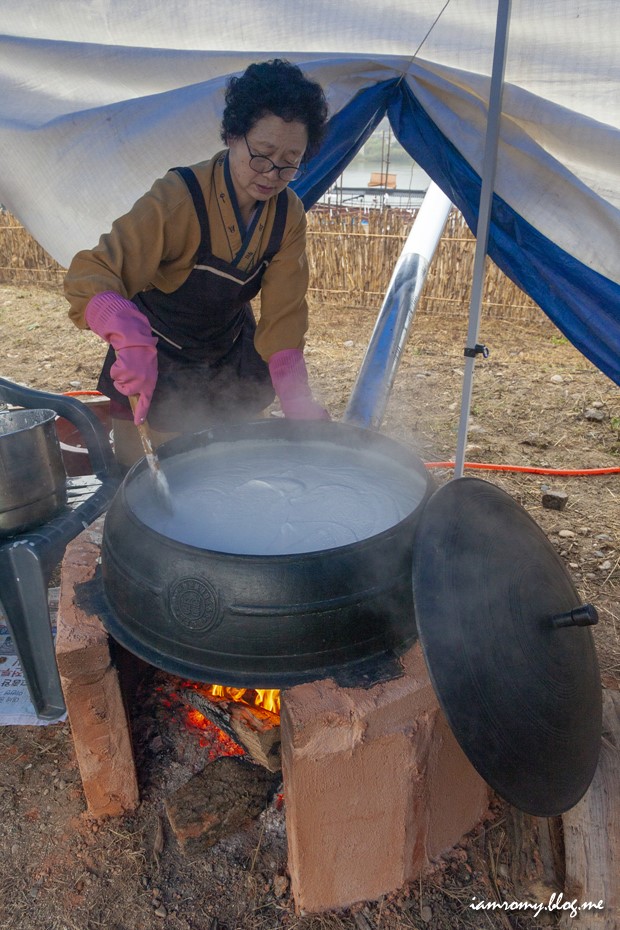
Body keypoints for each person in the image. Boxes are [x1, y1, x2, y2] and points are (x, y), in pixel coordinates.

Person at [64, 58, 330, 468]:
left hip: (230, 352)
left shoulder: (287, 214)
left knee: (238, 466)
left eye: (290, 161)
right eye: (262, 154)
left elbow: (284, 314)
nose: (272, 173)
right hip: (157, 353)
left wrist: (296, 394)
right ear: (232, 135)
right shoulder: (178, 197)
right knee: (157, 477)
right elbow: (93, 272)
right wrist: (124, 328)